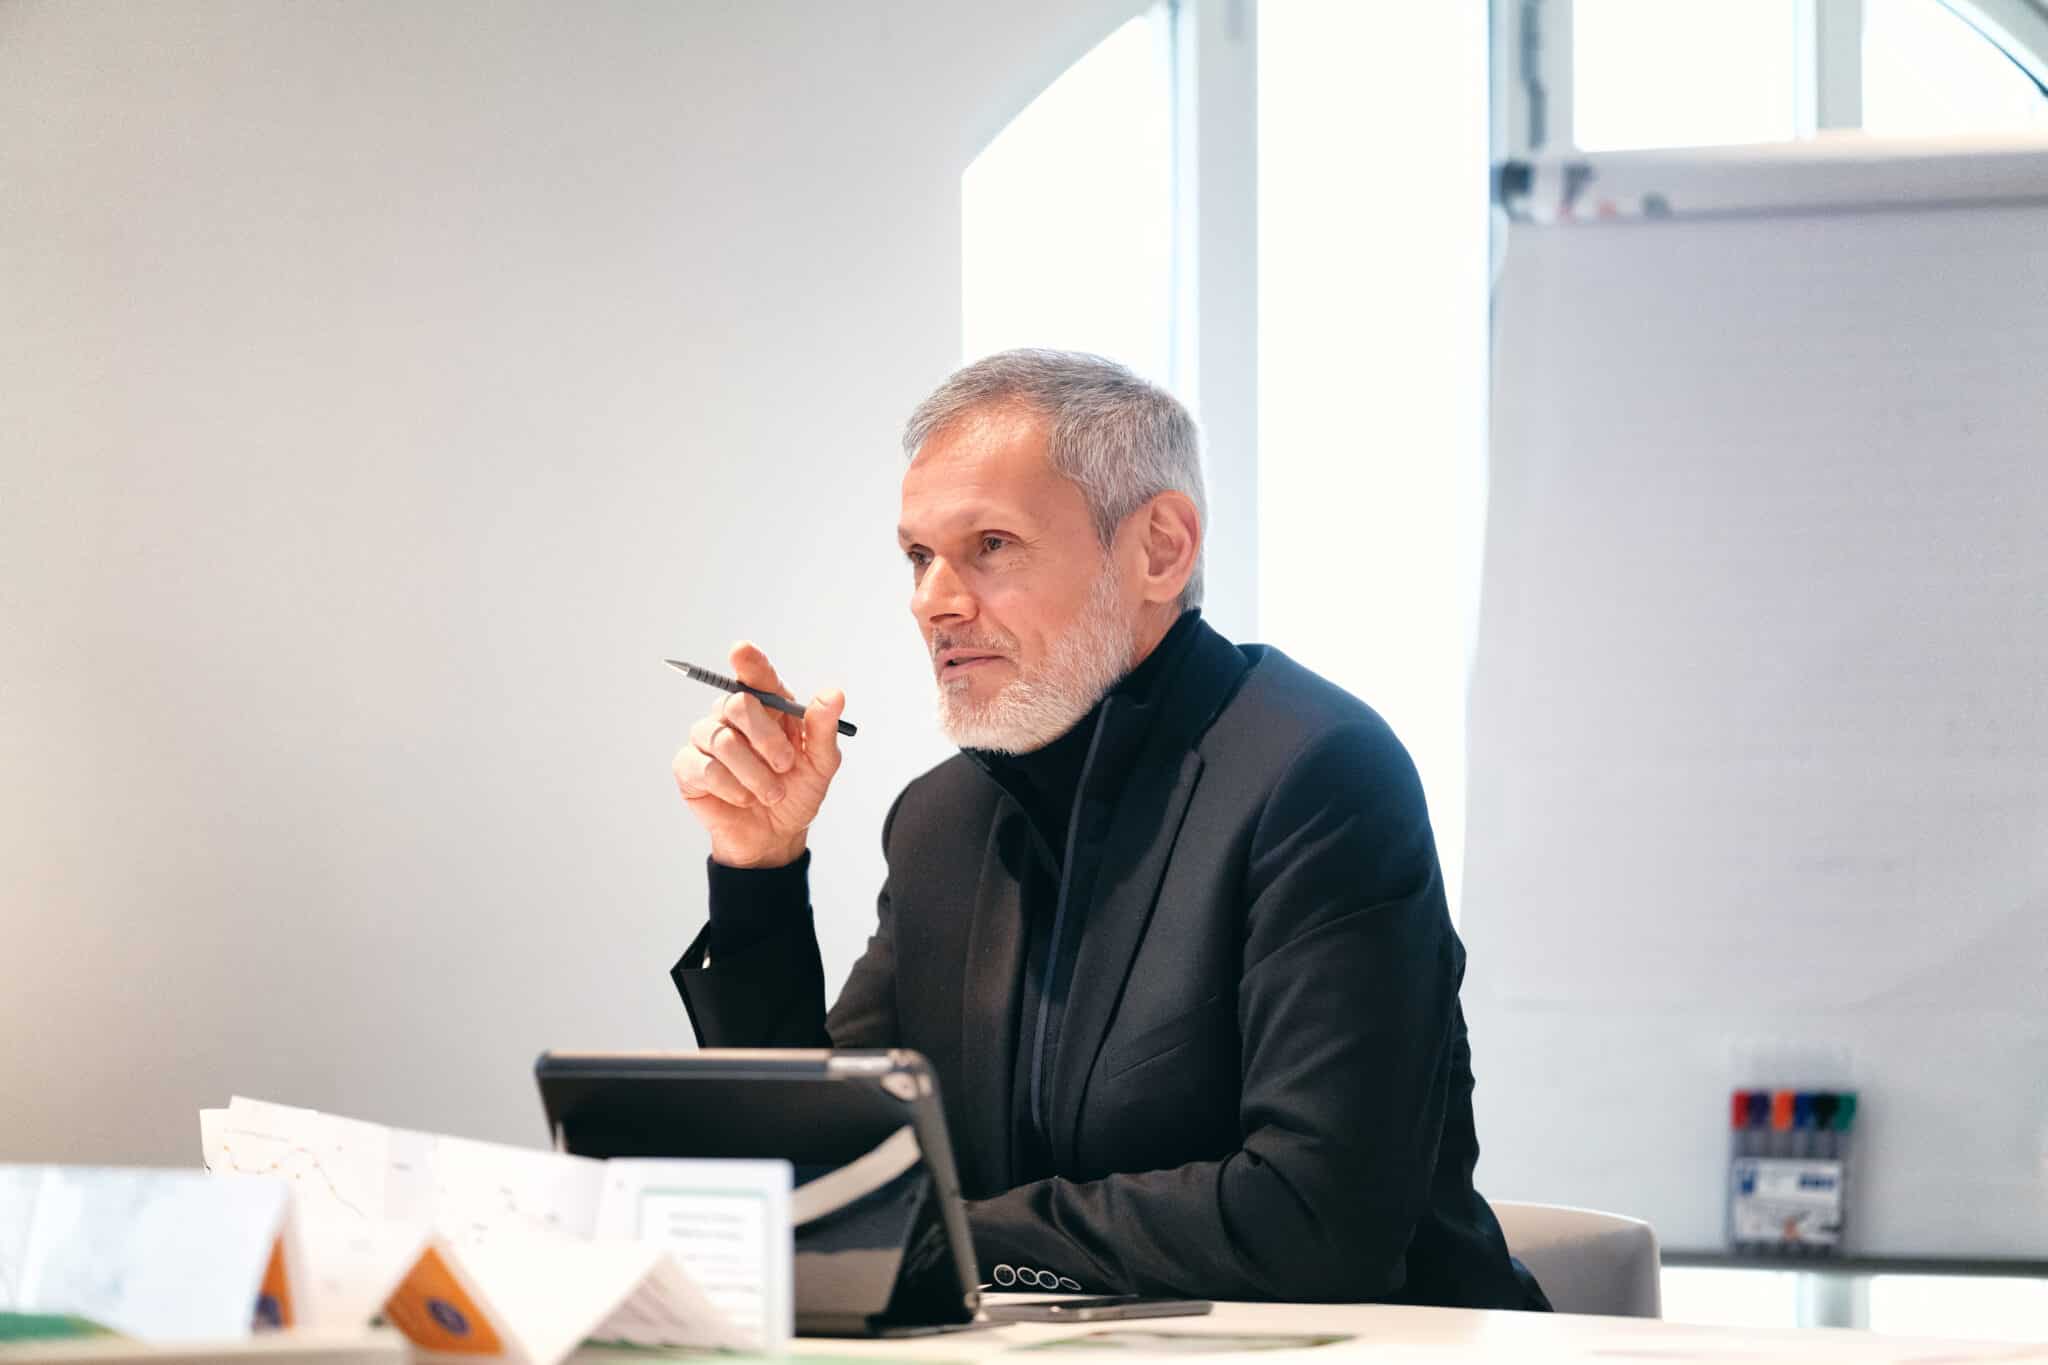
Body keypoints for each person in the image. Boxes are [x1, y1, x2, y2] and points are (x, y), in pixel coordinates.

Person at [669, 349, 1547, 1309]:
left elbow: (1316, 1219)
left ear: (1161, 549)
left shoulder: (1321, 775)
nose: (931, 601)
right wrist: (758, 869)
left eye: (990, 544)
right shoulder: (939, 822)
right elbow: (828, 1180)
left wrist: (953, 1239)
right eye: (919, 557)